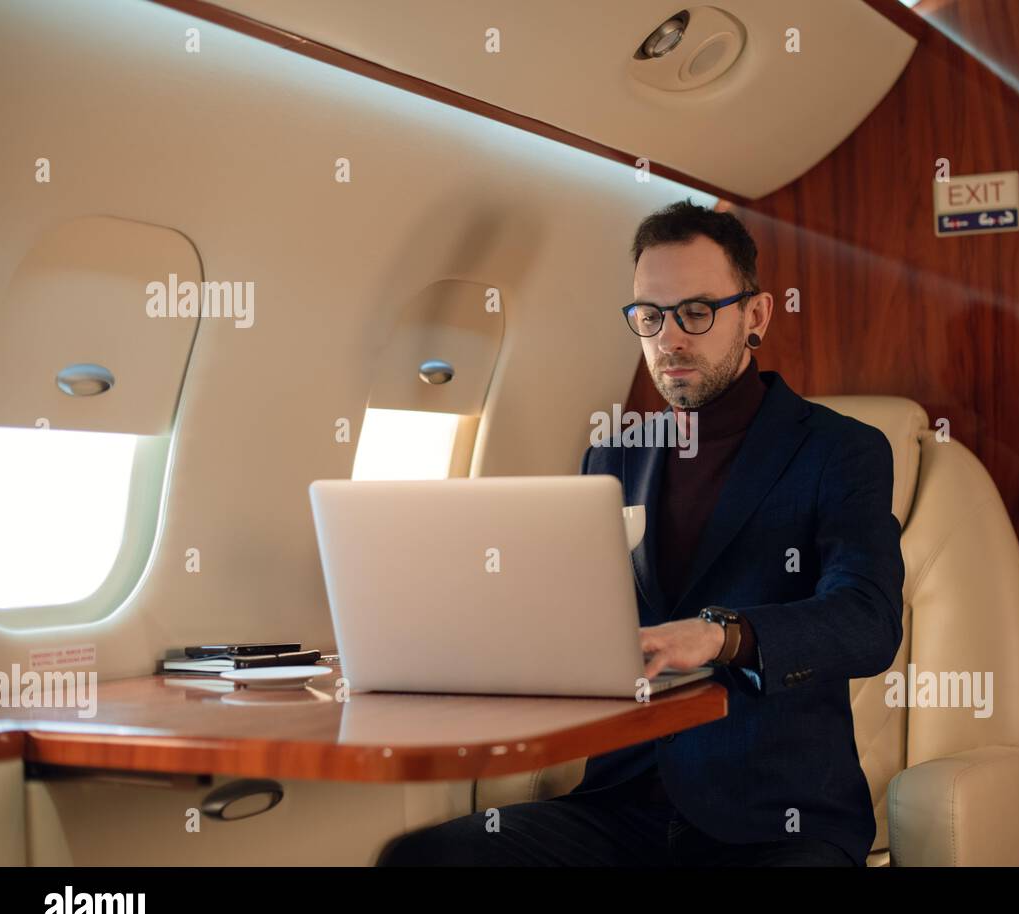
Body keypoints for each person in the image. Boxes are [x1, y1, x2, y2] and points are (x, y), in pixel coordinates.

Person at [377, 199, 904, 866]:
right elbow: (571, 617)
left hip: (776, 820)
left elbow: (868, 620)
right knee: (430, 858)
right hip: (620, 809)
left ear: (756, 315)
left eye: (696, 312)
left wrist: (721, 635)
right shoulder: (612, 457)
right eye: (650, 316)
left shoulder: (841, 450)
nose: (670, 339)